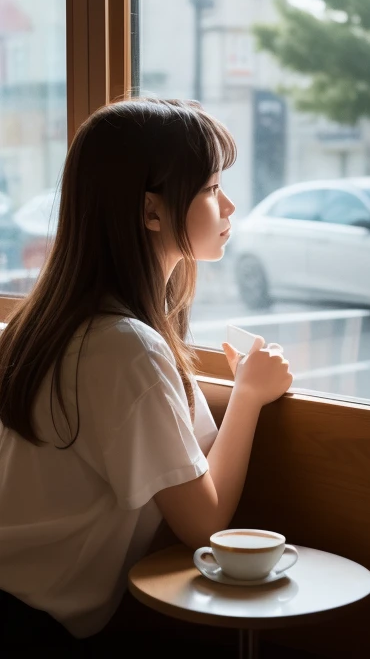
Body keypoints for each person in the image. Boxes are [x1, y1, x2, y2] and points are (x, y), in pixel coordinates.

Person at [0, 98, 293, 652]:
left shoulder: (53, 324)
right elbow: (204, 524)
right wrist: (249, 396)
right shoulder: (125, 347)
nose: (228, 205)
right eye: (209, 189)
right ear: (151, 211)